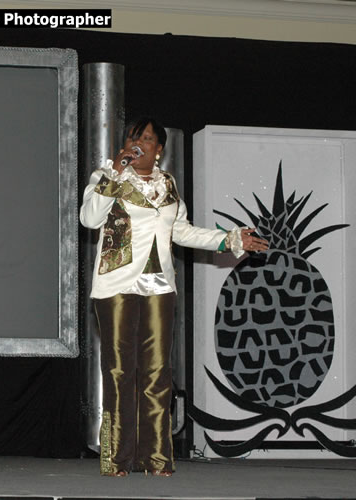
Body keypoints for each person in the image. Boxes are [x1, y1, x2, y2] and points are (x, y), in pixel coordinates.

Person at [79, 117, 268, 477]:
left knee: (157, 373)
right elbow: (89, 218)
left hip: (159, 285)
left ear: (159, 149)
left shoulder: (167, 184)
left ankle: (157, 459)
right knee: (120, 371)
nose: (139, 143)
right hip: (118, 283)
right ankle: (117, 459)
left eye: (146, 138)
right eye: (133, 137)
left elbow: (180, 231)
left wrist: (228, 240)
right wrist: (115, 173)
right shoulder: (106, 177)